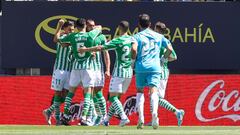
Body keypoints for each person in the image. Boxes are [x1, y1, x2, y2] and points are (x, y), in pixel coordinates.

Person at [78, 20, 137, 127]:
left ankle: (123, 117)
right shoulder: (132, 38)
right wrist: (132, 59)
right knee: (117, 98)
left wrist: (86, 50)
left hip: (119, 72)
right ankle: (106, 119)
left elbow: (101, 47)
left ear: (119, 28)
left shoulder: (118, 40)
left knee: (112, 98)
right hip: (129, 73)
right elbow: (134, 49)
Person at [55, 18, 102, 125]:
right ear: (85, 25)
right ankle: (84, 117)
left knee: (70, 93)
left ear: (76, 27)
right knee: (88, 93)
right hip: (87, 67)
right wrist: (93, 28)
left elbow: (59, 39)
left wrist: (60, 29)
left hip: (76, 67)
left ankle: (66, 115)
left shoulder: (73, 36)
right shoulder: (90, 35)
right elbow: (99, 28)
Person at [133, 14, 174, 129]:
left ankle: (141, 117)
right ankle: (154, 115)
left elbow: (134, 49)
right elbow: (170, 49)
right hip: (155, 68)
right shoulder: (159, 36)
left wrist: (132, 61)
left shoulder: (136, 36)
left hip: (141, 67)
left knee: (140, 91)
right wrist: (163, 59)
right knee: (154, 91)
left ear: (138, 25)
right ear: (150, 24)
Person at [43, 20, 75, 126]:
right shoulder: (62, 36)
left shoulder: (73, 37)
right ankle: (57, 120)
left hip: (69, 71)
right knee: (57, 94)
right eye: (69, 29)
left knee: (65, 96)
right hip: (60, 70)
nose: (71, 31)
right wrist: (59, 26)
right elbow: (55, 39)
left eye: (73, 29)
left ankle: (48, 111)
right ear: (65, 29)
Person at [154, 21, 185, 126]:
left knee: (156, 98)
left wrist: (162, 59)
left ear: (157, 30)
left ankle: (177, 112)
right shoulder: (166, 41)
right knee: (153, 96)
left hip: (160, 72)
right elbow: (174, 57)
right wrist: (165, 59)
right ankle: (155, 119)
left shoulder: (158, 40)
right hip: (162, 71)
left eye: (155, 28)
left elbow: (172, 55)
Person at [85, 19, 110, 125]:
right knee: (89, 95)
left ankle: (104, 117)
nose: (93, 27)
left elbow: (106, 54)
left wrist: (108, 69)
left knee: (98, 93)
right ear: (86, 26)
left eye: (93, 25)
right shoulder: (84, 36)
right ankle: (95, 117)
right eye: (90, 26)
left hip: (98, 69)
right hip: (86, 69)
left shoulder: (101, 37)